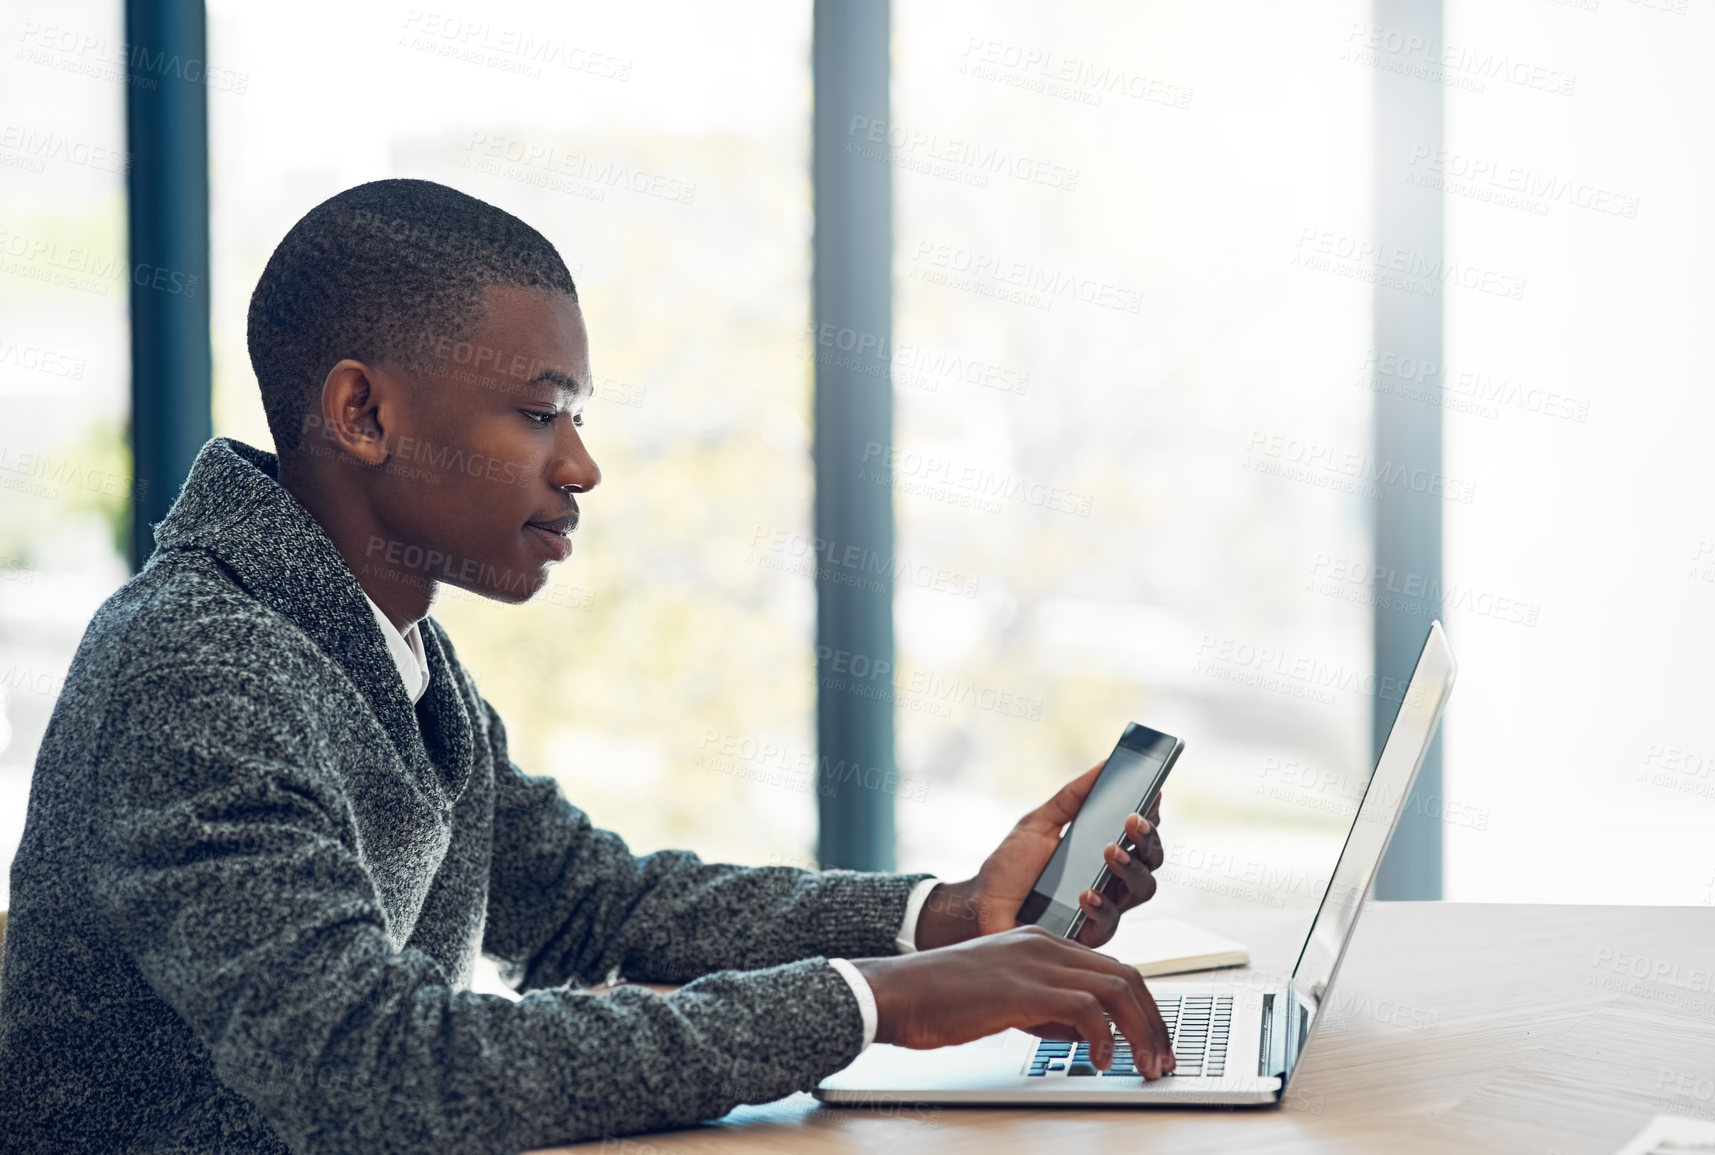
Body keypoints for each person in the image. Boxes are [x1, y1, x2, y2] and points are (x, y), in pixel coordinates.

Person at [0, 179, 1171, 1155]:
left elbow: (597, 904)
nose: (582, 468)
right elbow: (377, 1072)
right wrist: (875, 1003)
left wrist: (942, 919)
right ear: (362, 412)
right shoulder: (204, 671)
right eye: (537, 413)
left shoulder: (383, 649)